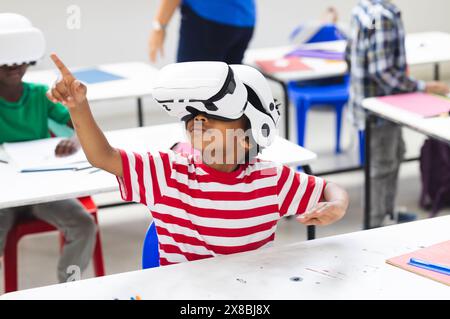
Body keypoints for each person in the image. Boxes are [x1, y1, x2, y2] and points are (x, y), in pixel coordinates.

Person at [47, 54, 349, 266]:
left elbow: (328, 189)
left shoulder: (272, 181)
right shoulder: (168, 174)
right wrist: (79, 108)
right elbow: (103, 156)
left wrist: (337, 204)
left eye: (213, 119)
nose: (198, 124)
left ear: (250, 134)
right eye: (194, 119)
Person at [0, 13, 96, 283]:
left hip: (42, 187)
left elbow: (81, 124)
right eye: (5, 60)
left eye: (20, 58)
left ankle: (67, 288)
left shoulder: (38, 95)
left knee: (83, 224)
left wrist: (76, 140)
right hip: (3, 194)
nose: (14, 66)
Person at [346, 0, 450, 228]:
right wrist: (422, 86)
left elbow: (351, 55)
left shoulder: (363, 8)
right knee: (382, 166)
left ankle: (388, 212)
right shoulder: (382, 16)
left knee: (395, 154)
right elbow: (382, 72)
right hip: (381, 110)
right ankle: (374, 224)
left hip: (369, 103)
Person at [149, 0, 256, 64]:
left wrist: (159, 26)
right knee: (229, 93)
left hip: (207, 19)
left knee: (190, 90)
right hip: (245, 18)